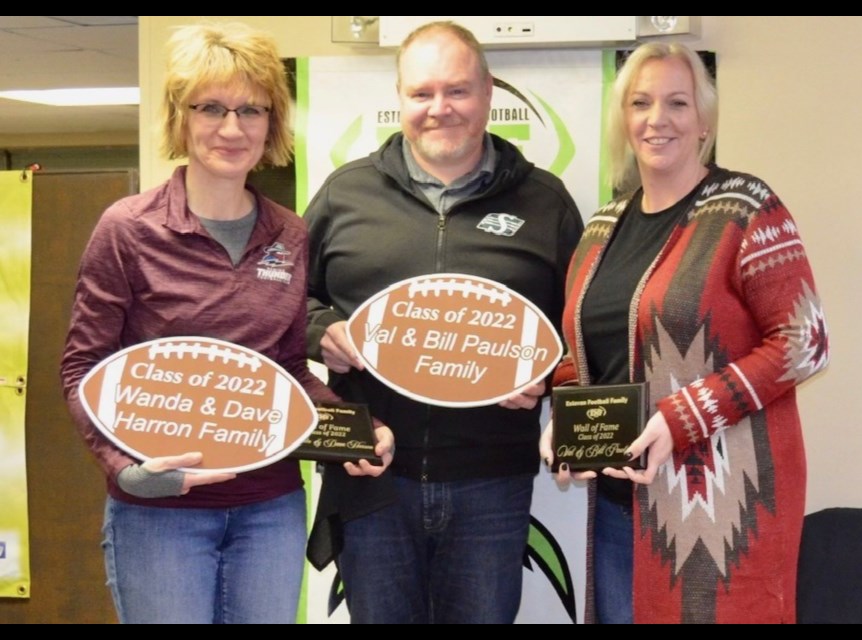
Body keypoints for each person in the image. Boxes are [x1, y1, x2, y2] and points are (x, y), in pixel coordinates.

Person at [59, 22, 393, 624]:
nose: (232, 128)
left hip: (270, 506)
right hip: (161, 511)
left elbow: (287, 369)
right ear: (181, 117)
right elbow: (82, 367)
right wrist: (126, 471)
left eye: (252, 110)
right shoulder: (127, 229)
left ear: (272, 123)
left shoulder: (290, 233)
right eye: (211, 107)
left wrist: (356, 431)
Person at [303, 21, 583, 624]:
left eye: (457, 91)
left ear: (487, 94)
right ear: (399, 99)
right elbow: (283, 303)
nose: (439, 109)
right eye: (421, 93)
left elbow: (583, 329)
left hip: (491, 482)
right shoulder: (344, 195)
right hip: (371, 477)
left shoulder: (545, 201)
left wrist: (546, 376)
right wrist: (319, 328)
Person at [540, 42, 829, 624]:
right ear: (624, 120)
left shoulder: (748, 209)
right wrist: (565, 423)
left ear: (704, 122)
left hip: (722, 513)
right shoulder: (600, 228)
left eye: (678, 102)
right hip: (620, 512)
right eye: (641, 103)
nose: (657, 119)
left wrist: (681, 420)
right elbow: (580, 353)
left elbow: (805, 342)